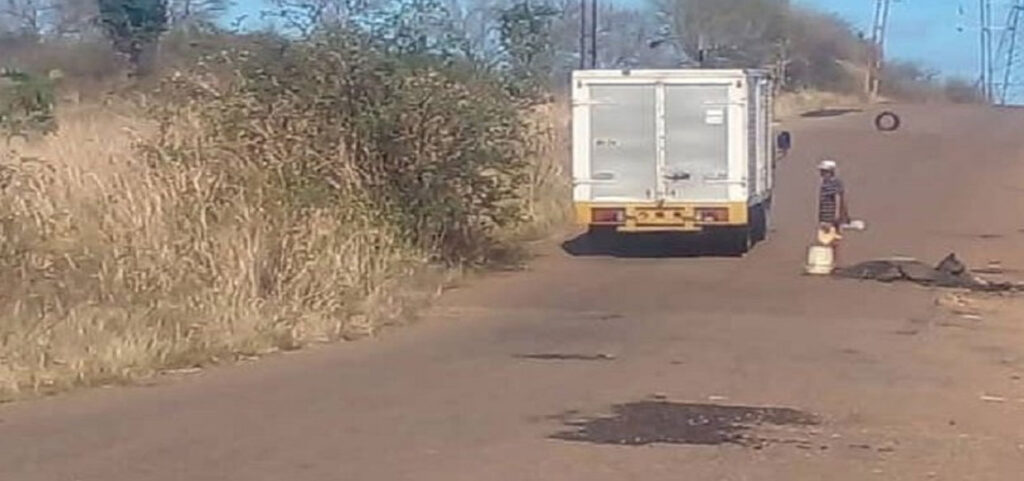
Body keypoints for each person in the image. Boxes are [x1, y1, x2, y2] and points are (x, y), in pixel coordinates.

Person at [817, 159, 850, 253]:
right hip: (826, 217)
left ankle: (832, 260)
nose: (821, 173)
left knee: (828, 241)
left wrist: (836, 216)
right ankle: (834, 259)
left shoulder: (833, 183)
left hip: (830, 218)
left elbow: (838, 199)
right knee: (830, 240)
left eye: (823, 171)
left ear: (830, 172)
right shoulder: (827, 183)